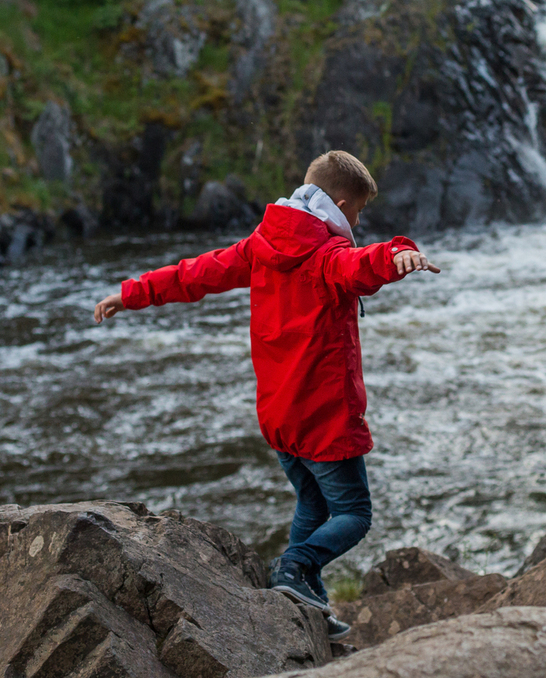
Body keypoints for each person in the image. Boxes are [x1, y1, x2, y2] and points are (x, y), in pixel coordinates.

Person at [93, 150, 440, 641]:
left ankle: (302, 602)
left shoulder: (261, 244)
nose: (358, 221)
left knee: (313, 507)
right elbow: (360, 265)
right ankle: (294, 567)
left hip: (279, 417)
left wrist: (131, 293)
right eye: (357, 212)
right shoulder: (325, 256)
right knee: (354, 515)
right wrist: (398, 253)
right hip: (323, 419)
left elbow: (196, 273)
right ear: (340, 205)